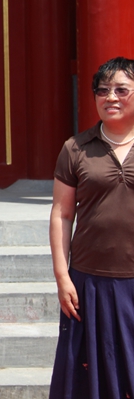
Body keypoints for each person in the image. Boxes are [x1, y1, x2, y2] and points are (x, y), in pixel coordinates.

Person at [49, 56, 134, 399]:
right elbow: (61, 213)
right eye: (102, 90)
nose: (110, 97)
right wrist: (62, 276)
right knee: (90, 376)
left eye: (121, 90)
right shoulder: (76, 148)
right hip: (89, 281)